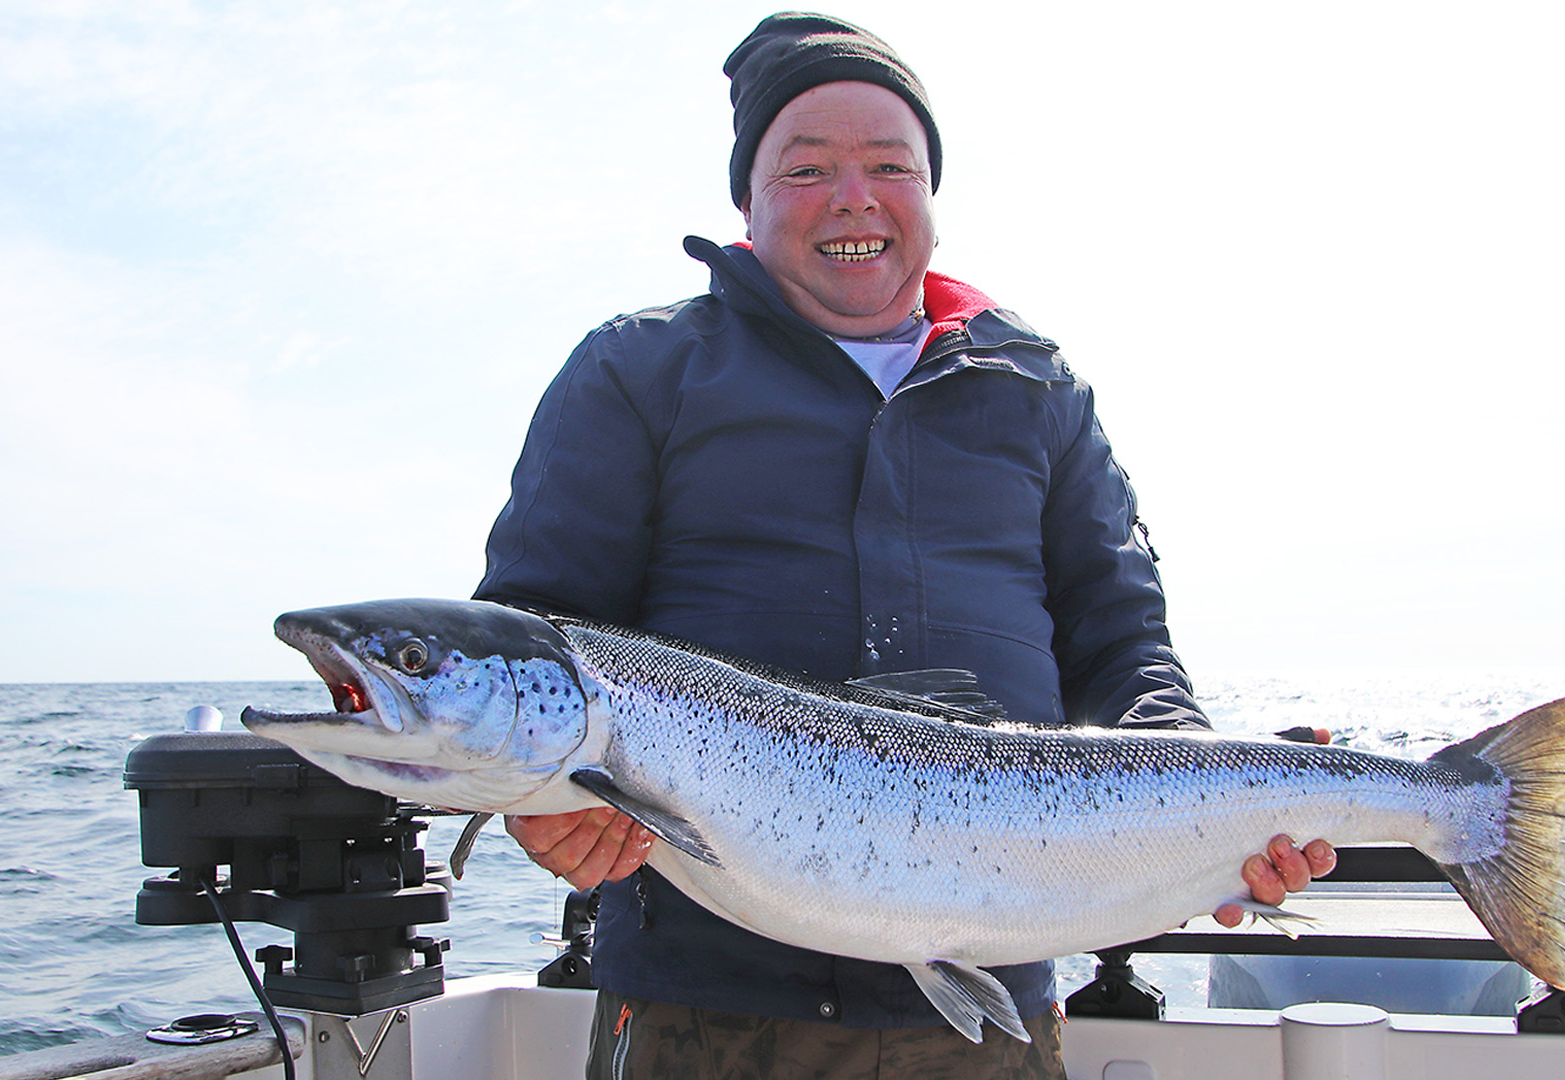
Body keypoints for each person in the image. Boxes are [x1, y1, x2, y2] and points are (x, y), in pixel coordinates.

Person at [475, 13, 1335, 1078]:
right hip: (705, 1003)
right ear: (747, 201)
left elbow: (1124, 645)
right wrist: (541, 807)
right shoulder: (638, 369)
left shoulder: (1039, 392)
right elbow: (529, 652)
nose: (855, 197)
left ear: (931, 194)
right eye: (806, 168)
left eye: (892, 165)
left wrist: (1213, 818)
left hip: (993, 1005)